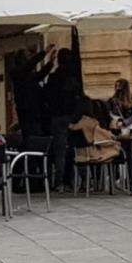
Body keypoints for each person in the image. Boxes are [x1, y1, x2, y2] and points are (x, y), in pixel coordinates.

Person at [45, 48, 81, 190]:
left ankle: (58, 181)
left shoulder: (54, 77)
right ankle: (70, 180)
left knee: (59, 151)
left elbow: (48, 96)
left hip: (56, 116)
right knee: (73, 150)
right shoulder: (74, 78)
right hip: (72, 117)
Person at [10, 46, 53, 138]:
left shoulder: (27, 74)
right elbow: (30, 65)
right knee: (30, 131)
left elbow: (40, 75)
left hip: (33, 106)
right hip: (26, 107)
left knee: (35, 130)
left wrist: (50, 63)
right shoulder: (17, 72)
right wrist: (44, 53)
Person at [69, 98, 122, 164]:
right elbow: (101, 136)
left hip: (78, 155)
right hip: (93, 154)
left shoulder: (73, 125)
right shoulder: (91, 123)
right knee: (117, 149)